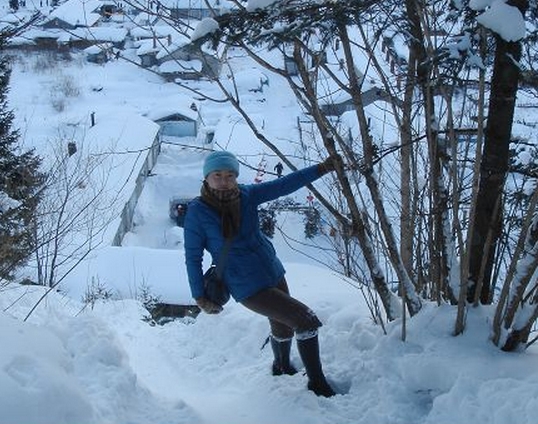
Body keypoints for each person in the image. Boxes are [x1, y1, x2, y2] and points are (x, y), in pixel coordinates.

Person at [183, 150, 340, 397]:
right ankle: (317, 383)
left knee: (284, 326)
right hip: (245, 284)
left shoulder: (247, 195)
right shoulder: (198, 212)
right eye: (217, 175)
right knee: (305, 320)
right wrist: (199, 296)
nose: (224, 181)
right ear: (206, 178)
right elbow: (193, 257)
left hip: (271, 269)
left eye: (229, 175)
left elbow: (284, 185)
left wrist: (322, 168)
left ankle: (281, 366)